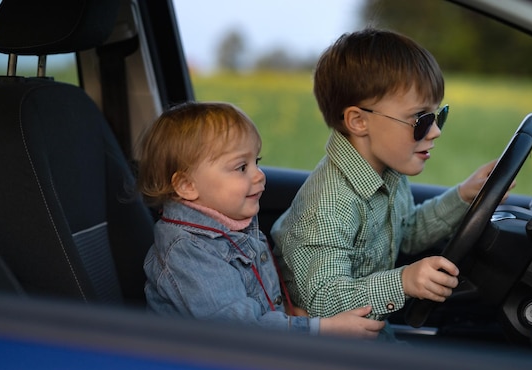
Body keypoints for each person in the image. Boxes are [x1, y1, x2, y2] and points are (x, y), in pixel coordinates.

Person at [270, 28, 507, 335]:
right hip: (326, 354)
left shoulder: (387, 171)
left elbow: (405, 232)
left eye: (438, 116)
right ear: (359, 121)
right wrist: (404, 282)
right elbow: (323, 304)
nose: (435, 132)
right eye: (421, 119)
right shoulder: (327, 205)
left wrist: (463, 196)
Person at [137, 101, 384, 339]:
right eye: (241, 168)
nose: (259, 175)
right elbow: (240, 331)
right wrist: (320, 329)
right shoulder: (188, 251)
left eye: (257, 162)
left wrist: (291, 316)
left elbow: (258, 299)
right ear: (187, 185)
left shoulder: (232, 226)